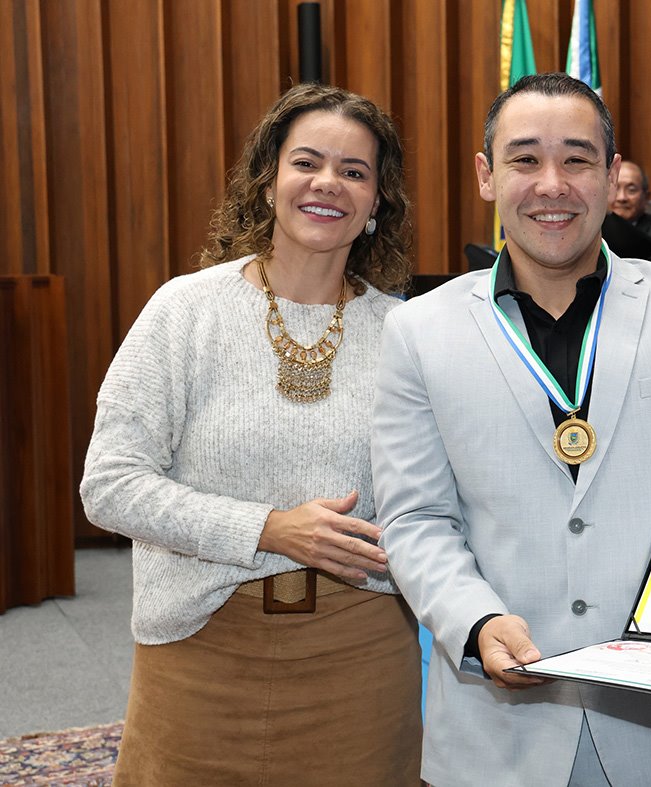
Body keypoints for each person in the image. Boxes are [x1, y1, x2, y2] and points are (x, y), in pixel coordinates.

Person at [372, 72, 651, 786]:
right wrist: (475, 622)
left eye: (577, 160)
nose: (551, 184)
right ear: (487, 176)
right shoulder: (418, 331)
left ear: (612, 176)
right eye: (524, 159)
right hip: (498, 734)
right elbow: (416, 517)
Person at [80, 84, 422, 784]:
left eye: (354, 171)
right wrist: (270, 529)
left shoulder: (407, 334)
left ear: (376, 204)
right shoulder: (185, 311)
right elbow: (109, 485)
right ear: (267, 183)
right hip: (201, 648)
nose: (328, 183)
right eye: (307, 162)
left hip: (362, 655)